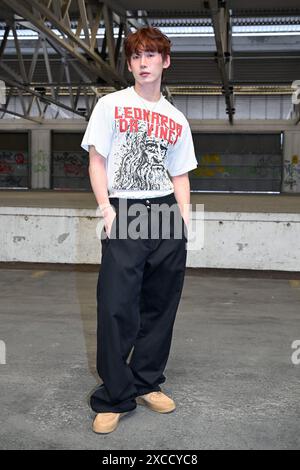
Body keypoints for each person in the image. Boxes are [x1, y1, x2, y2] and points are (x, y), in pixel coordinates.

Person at [81, 26, 198, 434]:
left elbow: (180, 173)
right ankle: (114, 396)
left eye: (151, 55)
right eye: (135, 56)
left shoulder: (176, 118)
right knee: (116, 306)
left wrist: (183, 221)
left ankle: (148, 381)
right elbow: (97, 162)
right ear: (129, 64)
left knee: (161, 304)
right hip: (125, 209)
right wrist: (107, 211)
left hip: (165, 211)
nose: (143, 62)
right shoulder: (110, 105)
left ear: (165, 61)